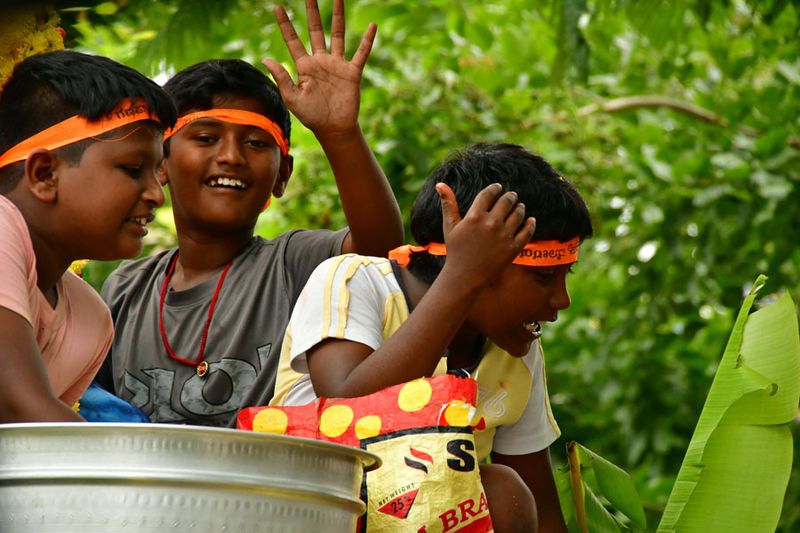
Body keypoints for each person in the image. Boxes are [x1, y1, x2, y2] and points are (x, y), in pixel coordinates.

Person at [95, 0, 403, 427]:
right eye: (205, 138)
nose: (231, 157)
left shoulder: (295, 264)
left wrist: (341, 135)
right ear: (160, 163)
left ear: (282, 176)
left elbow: (380, 253)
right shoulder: (125, 290)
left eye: (256, 144)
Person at [271, 143, 593, 532]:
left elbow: (543, 516)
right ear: (477, 262)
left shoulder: (516, 352)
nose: (562, 300)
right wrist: (461, 280)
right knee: (498, 490)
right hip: (307, 514)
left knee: (506, 496)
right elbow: (350, 413)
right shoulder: (353, 279)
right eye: (544, 277)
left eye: (566, 276)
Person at [0, 50, 176, 422]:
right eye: (132, 169)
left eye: (157, 171)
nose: (157, 194)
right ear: (45, 174)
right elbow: (24, 409)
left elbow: (38, 449)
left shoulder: (91, 318)